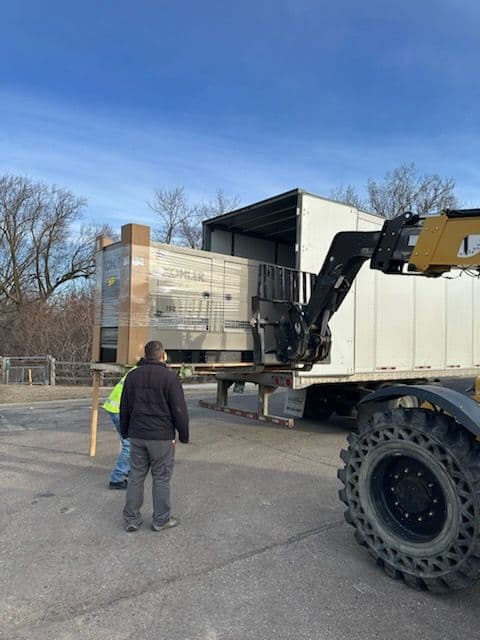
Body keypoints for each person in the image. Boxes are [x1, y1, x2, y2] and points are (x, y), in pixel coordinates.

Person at [120, 340, 189, 532]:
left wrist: (125, 431)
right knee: (161, 478)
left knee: (135, 477)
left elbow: (124, 407)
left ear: (145, 354)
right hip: (161, 437)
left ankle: (132, 519)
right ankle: (161, 520)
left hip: (138, 435)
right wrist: (183, 434)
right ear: (163, 355)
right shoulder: (169, 378)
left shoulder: (132, 376)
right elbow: (179, 410)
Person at [102, 358, 145, 489]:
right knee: (129, 444)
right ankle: (117, 478)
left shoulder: (136, 371)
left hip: (116, 408)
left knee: (130, 442)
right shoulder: (140, 375)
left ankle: (126, 469)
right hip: (118, 410)